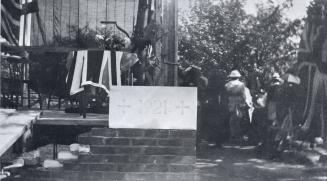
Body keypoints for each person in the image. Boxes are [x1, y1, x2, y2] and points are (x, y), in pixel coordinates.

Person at [224, 70, 253, 142]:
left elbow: (225, 95)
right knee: (238, 119)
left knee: (231, 119)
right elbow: (243, 95)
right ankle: (237, 136)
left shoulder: (227, 85)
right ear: (238, 77)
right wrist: (243, 103)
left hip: (230, 102)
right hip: (238, 102)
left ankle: (232, 135)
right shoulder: (241, 84)